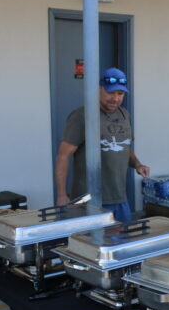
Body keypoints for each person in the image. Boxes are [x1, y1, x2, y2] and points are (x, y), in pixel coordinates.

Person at [54, 67, 149, 222]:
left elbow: (125, 147)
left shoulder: (125, 115)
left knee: (122, 237)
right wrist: (61, 195)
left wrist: (138, 164)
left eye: (120, 93)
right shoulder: (82, 116)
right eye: (110, 92)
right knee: (91, 238)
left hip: (120, 199)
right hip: (89, 201)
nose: (115, 98)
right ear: (99, 89)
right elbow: (63, 156)